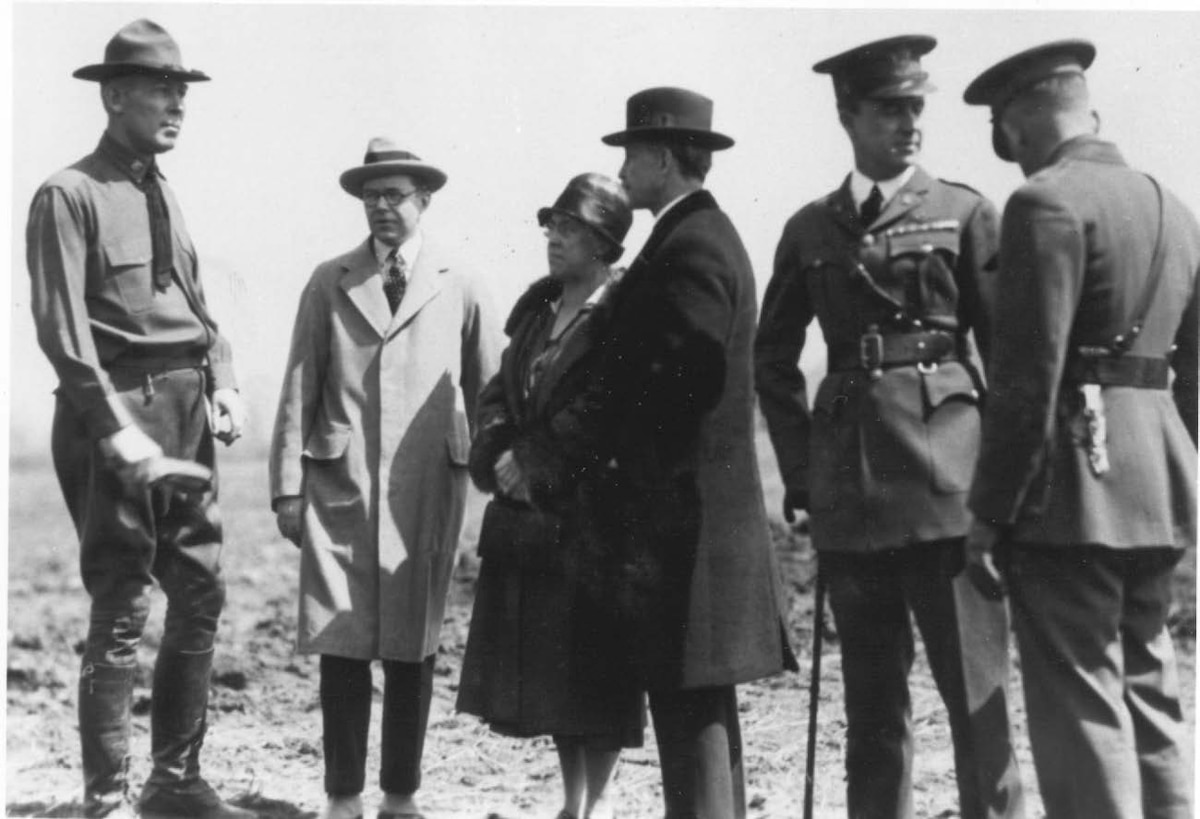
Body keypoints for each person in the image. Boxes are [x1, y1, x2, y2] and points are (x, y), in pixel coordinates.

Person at [754, 36, 1024, 819]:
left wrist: (1003, 486)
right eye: (890, 110)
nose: (909, 124)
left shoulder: (966, 211)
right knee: (872, 709)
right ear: (848, 116)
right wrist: (802, 473)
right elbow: (771, 359)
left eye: (916, 108)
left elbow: (1009, 357)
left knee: (977, 697)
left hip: (952, 492)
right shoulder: (811, 228)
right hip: (852, 496)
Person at [963, 40, 1197, 819]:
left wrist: (991, 514)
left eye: (1007, 131)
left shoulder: (1044, 202)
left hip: (1071, 491)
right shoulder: (1171, 203)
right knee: (1150, 691)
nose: (1013, 153)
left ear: (1023, 119)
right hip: (1158, 480)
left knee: (1080, 705)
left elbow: (1027, 380)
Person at [25, 19, 251, 819]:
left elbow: (193, 307)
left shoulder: (160, 189)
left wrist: (221, 378)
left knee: (200, 591)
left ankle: (175, 782)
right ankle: (106, 798)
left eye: (183, 91)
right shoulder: (69, 193)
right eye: (161, 89)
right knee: (122, 599)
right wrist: (113, 425)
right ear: (114, 95)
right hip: (117, 411)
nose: (177, 105)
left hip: (188, 409)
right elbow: (63, 330)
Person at [565, 86, 796, 819]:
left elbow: (690, 381)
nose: (623, 172)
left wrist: (613, 448)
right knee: (699, 713)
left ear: (662, 157)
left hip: (684, 528)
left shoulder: (689, 244)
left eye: (630, 155)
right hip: (692, 524)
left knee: (690, 712)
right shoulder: (700, 235)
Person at [268, 137, 500, 819]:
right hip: (342, 487)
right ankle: (342, 797)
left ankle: (401, 796)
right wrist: (287, 486)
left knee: (412, 642)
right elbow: (298, 384)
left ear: (424, 200)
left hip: (427, 487)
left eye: (394, 194)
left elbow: (494, 391)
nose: (381, 206)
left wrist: (502, 472)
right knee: (341, 642)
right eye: (371, 195)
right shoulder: (328, 279)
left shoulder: (461, 281)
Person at [457, 173, 642, 819]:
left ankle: (599, 799)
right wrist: (498, 449)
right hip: (537, 523)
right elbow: (498, 391)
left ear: (603, 242)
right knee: (557, 673)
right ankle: (572, 802)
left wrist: (536, 461)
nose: (554, 238)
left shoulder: (624, 310)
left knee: (601, 670)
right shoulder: (538, 309)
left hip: (598, 519)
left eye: (569, 229)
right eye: (552, 226)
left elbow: (608, 406)